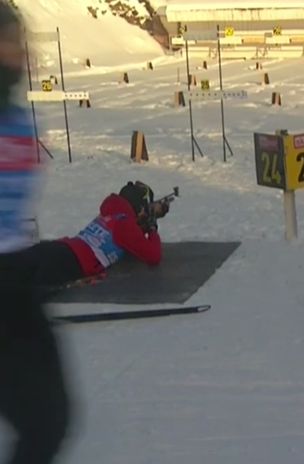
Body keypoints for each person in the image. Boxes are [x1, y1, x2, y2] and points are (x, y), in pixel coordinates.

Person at [0, 2, 69, 463]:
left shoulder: (19, 117)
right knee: (42, 419)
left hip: (20, 277)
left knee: (53, 418)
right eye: (9, 40)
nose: (20, 51)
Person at [25, 180, 168, 290]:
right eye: (145, 209)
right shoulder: (125, 225)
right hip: (73, 262)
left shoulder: (111, 212)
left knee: (17, 265)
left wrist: (145, 223)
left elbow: (128, 239)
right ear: (139, 207)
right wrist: (152, 227)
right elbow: (153, 256)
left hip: (64, 247)